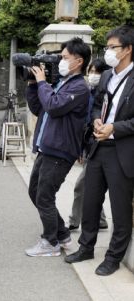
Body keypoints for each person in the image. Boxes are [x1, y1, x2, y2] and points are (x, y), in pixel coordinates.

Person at [65, 25, 134, 276]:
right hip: (98, 146)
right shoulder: (106, 75)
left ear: (127, 50)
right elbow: (96, 104)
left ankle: (113, 257)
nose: (108, 52)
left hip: (122, 150)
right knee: (91, 201)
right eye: (107, 47)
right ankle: (86, 247)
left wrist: (114, 127)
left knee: (120, 207)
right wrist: (96, 119)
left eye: (113, 47)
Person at [25, 37, 91, 257]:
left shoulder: (80, 87)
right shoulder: (62, 82)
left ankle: (50, 242)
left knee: (44, 196)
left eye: (64, 57)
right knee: (35, 192)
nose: (60, 61)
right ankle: (62, 235)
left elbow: (53, 106)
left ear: (78, 61)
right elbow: (39, 108)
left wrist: (43, 82)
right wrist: (34, 85)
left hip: (60, 151)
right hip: (47, 147)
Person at [68, 59, 110, 231]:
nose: (93, 75)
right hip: (89, 146)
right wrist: (80, 148)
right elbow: (84, 124)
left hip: (102, 146)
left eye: (97, 72)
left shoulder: (107, 95)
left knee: (81, 186)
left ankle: (73, 221)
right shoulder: (88, 92)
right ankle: (100, 220)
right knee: (93, 186)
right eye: (91, 71)